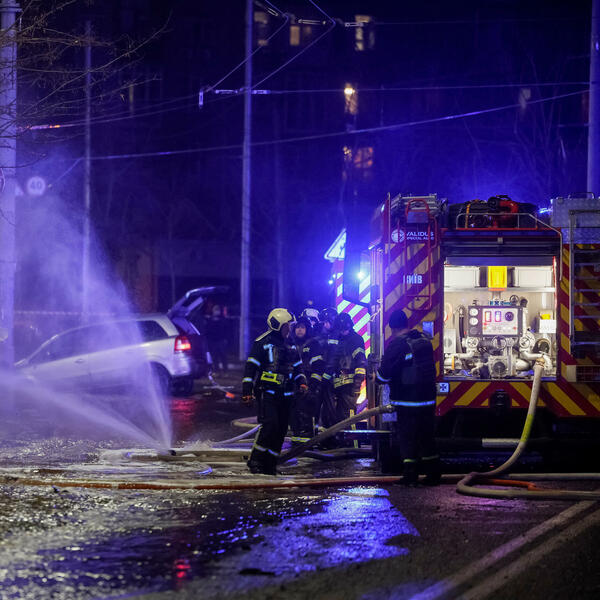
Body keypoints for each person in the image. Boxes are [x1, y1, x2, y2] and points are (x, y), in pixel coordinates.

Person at [375, 309, 440, 485]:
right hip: (428, 399)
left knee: (407, 438)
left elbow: (383, 376)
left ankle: (410, 475)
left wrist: (376, 377)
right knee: (427, 437)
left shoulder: (397, 345)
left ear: (393, 328)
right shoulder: (424, 341)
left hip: (407, 401)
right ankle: (433, 474)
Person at [242, 308, 307, 475]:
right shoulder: (262, 343)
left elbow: (298, 367)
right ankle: (256, 461)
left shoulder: (290, 343)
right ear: (278, 325)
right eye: (287, 325)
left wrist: (302, 382)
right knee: (270, 425)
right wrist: (247, 391)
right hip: (267, 392)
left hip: (287, 394)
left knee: (281, 429)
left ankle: (270, 463)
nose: (290, 328)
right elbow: (250, 368)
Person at [322, 311, 367, 431]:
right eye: (341, 329)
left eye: (345, 329)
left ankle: (351, 441)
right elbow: (332, 361)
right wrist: (324, 381)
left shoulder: (356, 339)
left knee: (348, 417)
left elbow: (361, 362)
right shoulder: (337, 338)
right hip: (337, 385)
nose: (343, 332)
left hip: (350, 386)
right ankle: (339, 439)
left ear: (350, 326)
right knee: (336, 417)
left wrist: (357, 384)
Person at [289, 315, 324, 445]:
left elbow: (318, 367)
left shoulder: (313, 344)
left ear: (307, 329)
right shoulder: (291, 344)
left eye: (302, 327)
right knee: (294, 416)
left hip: (308, 385)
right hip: (294, 386)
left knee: (307, 416)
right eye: (297, 327)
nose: (299, 330)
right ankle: (296, 444)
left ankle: (306, 446)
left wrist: (312, 386)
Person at [205, 304, 229, 372]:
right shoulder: (209, 320)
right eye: (215, 310)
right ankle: (216, 370)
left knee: (223, 356)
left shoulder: (223, 320)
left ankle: (225, 370)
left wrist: (226, 339)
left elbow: (226, 330)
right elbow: (207, 330)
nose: (217, 311)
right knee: (214, 356)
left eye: (218, 310)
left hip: (221, 340)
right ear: (213, 311)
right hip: (213, 341)